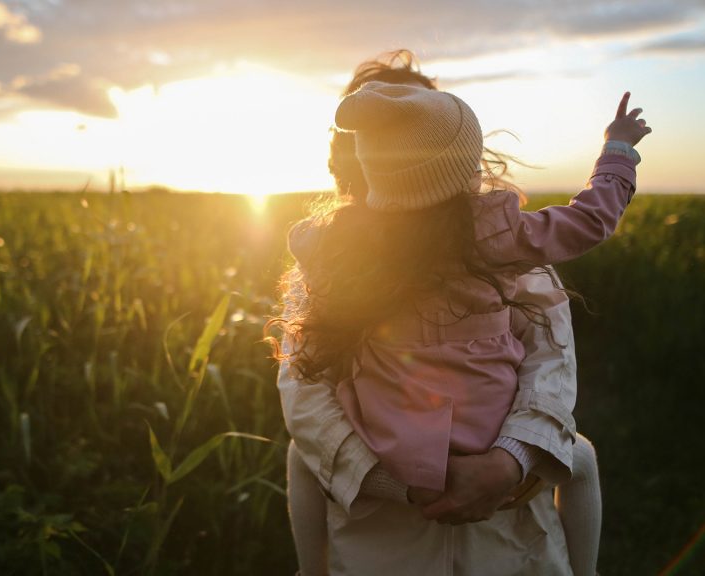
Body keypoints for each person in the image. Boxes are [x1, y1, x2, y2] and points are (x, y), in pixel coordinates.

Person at [273, 50, 648, 575]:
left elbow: (550, 362)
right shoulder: (499, 239)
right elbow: (305, 393)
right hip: (380, 536)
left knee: (577, 454)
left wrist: (508, 462)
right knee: (580, 456)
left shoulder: (337, 250)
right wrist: (617, 153)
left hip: (508, 532)